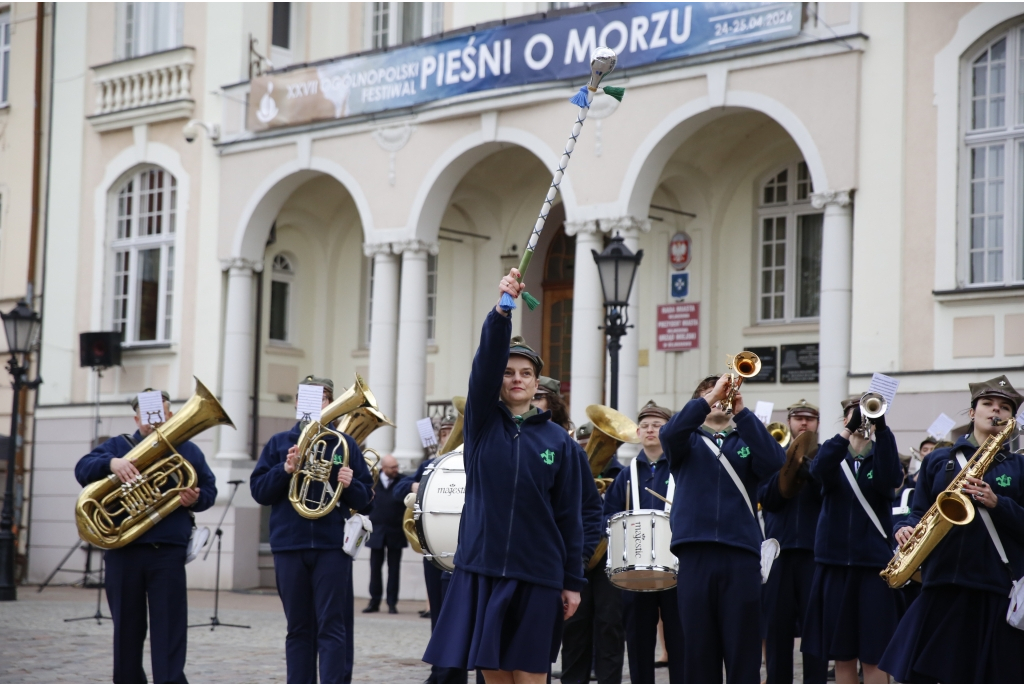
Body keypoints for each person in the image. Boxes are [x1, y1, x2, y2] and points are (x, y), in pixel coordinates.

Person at [423, 268, 585, 684]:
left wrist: (572, 581)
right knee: (493, 676)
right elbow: (484, 364)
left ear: (537, 384)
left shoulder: (560, 442)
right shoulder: (481, 423)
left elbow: (570, 516)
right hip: (483, 568)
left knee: (531, 677)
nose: (516, 379)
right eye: (509, 372)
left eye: (526, 374)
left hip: (539, 574)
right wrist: (502, 311)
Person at [880, 376, 1024, 683]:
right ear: (973, 412)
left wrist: (997, 502)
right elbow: (918, 511)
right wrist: (904, 527)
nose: (995, 411)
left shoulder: (1019, 468)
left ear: (1012, 419)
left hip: (993, 588)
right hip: (941, 582)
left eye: (1004, 407)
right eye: (987, 404)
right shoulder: (937, 460)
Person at [74, 388, 217, 684]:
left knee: (170, 627)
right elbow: (82, 468)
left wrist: (196, 498)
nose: (154, 420)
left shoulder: (187, 451)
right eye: (148, 415)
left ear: (171, 416)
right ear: (137, 417)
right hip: (124, 551)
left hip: (167, 551)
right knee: (127, 626)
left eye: (161, 413)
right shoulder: (118, 446)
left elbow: (210, 491)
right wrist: (110, 464)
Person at [659, 374, 786, 682]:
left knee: (743, 650)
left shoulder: (746, 440)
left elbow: (775, 461)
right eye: (710, 392)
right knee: (699, 651)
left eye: (724, 392)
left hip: (740, 555)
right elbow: (668, 433)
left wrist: (742, 413)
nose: (719, 396)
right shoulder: (686, 441)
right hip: (695, 554)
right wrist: (707, 399)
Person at [250, 375, 375, 684]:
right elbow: (260, 492)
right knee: (298, 627)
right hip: (289, 546)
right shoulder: (280, 443)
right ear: (296, 403)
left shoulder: (344, 444)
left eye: (321, 398)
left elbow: (367, 500)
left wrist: (349, 484)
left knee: (331, 625)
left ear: (329, 404)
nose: (314, 403)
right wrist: (285, 470)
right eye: (307, 398)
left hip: (331, 547)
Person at [801, 397, 903, 684]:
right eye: (855, 415)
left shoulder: (881, 450)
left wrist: (882, 430)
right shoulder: (833, 453)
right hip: (834, 565)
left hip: (873, 566)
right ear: (844, 420)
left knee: (874, 654)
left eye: (867, 415)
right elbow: (818, 472)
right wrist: (846, 433)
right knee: (842, 654)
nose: (862, 421)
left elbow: (890, 478)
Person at [533, 377, 619, 684]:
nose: (531, 398)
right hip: (528, 557)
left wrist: (577, 560)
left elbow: (589, 509)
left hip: (568, 559)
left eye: (540, 395)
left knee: (604, 627)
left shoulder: (566, 445)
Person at [603, 400, 683, 684]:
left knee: (680, 640)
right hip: (636, 570)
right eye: (645, 426)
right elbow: (608, 517)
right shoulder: (627, 475)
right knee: (637, 642)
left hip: (676, 567)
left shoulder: (681, 468)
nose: (650, 430)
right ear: (638, 432)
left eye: (657, 425)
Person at [757, 399, 828, 684]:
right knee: (777, 629)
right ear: (788, 422)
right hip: (779, 552)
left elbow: (829, 495)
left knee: (815, 629)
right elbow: (768, 500)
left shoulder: (826, 456)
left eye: (809, 419)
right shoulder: (773, 456)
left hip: (814, 551)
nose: (803, 423)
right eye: (798, 418)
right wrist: (786, 472)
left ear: (817, 424)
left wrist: (811, 473)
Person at [365, 454, 407, 614]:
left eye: (396, 467)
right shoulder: (373, 481)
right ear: (384, 468)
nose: (396, 470)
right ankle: (374, 601)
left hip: (396, 531)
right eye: (392, 467)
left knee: (394, 569)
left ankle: (391, 603)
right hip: (377, 531)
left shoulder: (402, 481)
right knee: (375, 568)